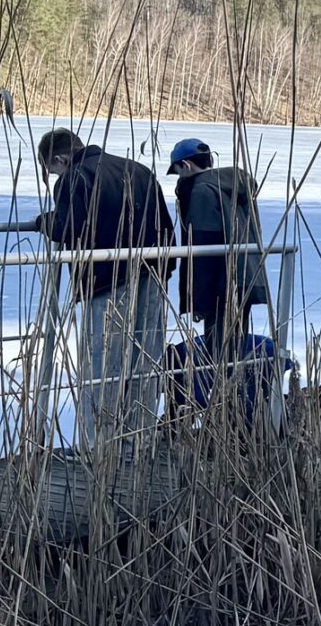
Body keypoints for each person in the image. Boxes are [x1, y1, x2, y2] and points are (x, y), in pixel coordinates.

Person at [34, 125, 175, 459]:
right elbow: (166, 226)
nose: (54, 176)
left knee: (102, 364)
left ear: (60, 159)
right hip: (153, 273)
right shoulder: (138, 170)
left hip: (106, 280)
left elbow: (69, 227)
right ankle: (138, 441)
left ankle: (97, 445)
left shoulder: (75, 177)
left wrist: (44, 222)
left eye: (51, 170)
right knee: (145, 360)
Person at [168, 137, 271, 355]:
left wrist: (199, 300)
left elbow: (204, 249)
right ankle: (232, 376)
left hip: (221, 282)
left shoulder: (202, 191)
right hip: (245, 274)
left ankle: (223, 377)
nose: (179, 178)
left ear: (186, 165)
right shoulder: (234, 185)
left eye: (177, 171)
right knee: (234, 344)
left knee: (219, 348)